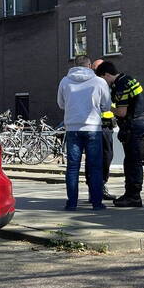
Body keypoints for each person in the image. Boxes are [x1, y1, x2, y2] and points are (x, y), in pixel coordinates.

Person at [57, 55, 113, 211]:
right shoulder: (99, 81)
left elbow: (61, 104)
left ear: (75, 65)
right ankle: (96, 203)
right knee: (95, 166)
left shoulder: (65, 81)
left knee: (72, 167)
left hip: (72, 128)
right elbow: (106, 106)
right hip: (93, 127)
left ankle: (71, 203)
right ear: (89, 65)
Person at [95, 60, 144, 207]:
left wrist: (106, 107)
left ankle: (133, 196)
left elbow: (122, 112)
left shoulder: (120, 86)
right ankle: (132, 194)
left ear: (106, 74)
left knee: (132, 162)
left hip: (132, 125)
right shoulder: (128, 79)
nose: (103, 83)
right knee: (133, 161)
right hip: (139, 122)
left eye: (102, 79)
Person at [90, 58, 117, 201]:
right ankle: (95, 188)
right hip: (94, 126)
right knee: (94, 158)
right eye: (95, 70)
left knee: (107, 155)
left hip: (106, 126)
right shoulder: (94, 84)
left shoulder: (111, 84)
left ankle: (101, 184)